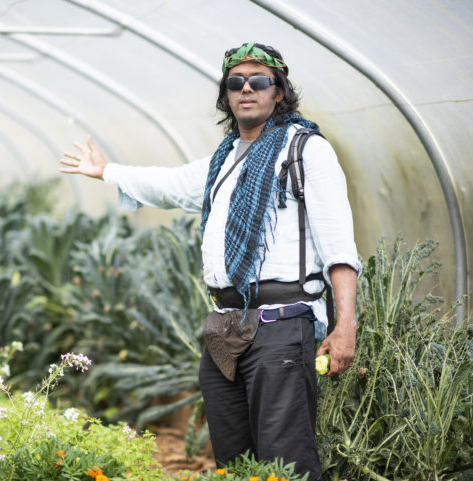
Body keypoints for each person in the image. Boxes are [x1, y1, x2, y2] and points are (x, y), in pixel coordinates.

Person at [59, 42, 360, 480]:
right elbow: (171, 184)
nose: (246, 90)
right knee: (234, 463)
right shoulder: (224, 159)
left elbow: (339, 247)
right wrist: (107, 171)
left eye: (259, 81)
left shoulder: (306, 151)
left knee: (286, 460)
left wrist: (345, 325)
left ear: (279, 91)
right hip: (224, 329)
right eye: (235, 82)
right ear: (226, 94)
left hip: (282, 326)